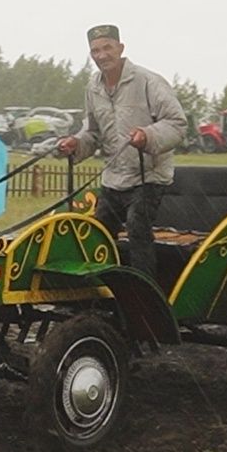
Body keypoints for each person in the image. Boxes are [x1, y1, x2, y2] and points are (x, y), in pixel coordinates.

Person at [57, 24, 187, 282]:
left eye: (107, 48)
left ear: (120, 48)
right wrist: (75, 142)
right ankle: (101, 290)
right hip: (113, 177)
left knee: (138, 228)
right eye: (95, 50)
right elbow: (93, 132)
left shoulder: (148, 81)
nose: (102, 55)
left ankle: (144, 295)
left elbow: (177, 124)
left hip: (149, 176)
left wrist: (147, 136)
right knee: (99, 232)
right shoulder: (93, 87)